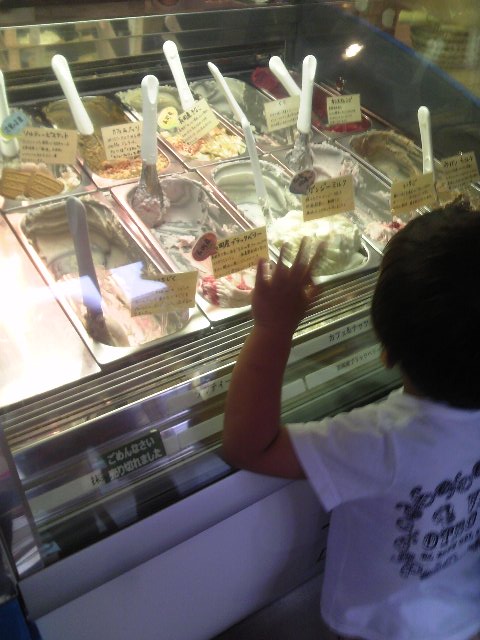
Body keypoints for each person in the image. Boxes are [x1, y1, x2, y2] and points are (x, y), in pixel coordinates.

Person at [222, 202, 480, 640]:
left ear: (385, 351)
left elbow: (249, 446)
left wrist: (272, 329)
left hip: (378, 629)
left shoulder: (380, 441)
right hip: (463, 615)